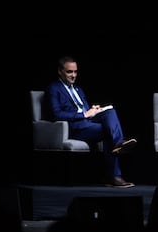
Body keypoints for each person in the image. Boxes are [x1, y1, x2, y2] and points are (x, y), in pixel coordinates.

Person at [45, 56, 137, 188]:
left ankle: (118, 143)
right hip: (75, 127)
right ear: (60, 71)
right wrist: (83, 114)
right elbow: (56, 114)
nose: (73, 75)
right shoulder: (53, 88)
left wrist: (94, 110)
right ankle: (114, 176)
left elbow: (86, 109)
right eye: (69, 72)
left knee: (110, 111)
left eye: (75, 72)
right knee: (107, 131)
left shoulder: (78, 89)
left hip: (88, 122)